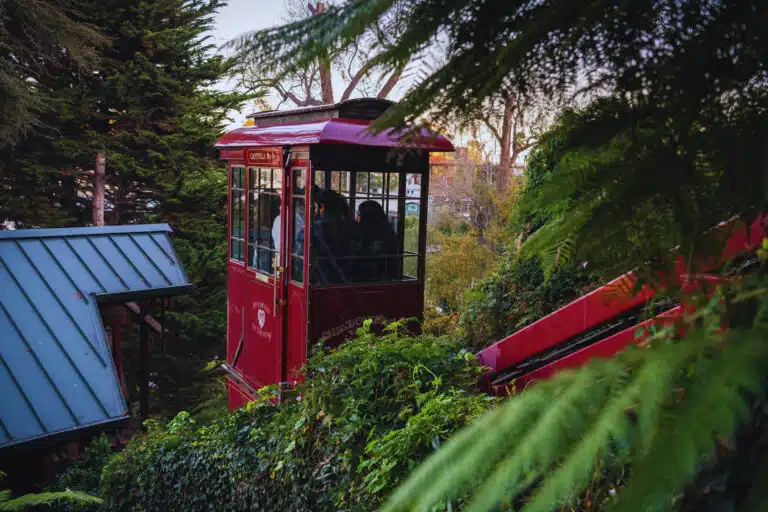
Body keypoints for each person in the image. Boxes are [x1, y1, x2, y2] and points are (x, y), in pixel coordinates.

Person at [311, 186, 359, 284]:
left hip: (322, 284)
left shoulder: (315, 228)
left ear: (322, 207)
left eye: (315, 207)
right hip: (352, 281)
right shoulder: (353, 226)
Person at [356, 200, 399, 281]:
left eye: (359, 214)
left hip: (369, 279)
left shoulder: (367, 234)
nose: (356, 217)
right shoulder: (388, 231)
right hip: (387, 279)